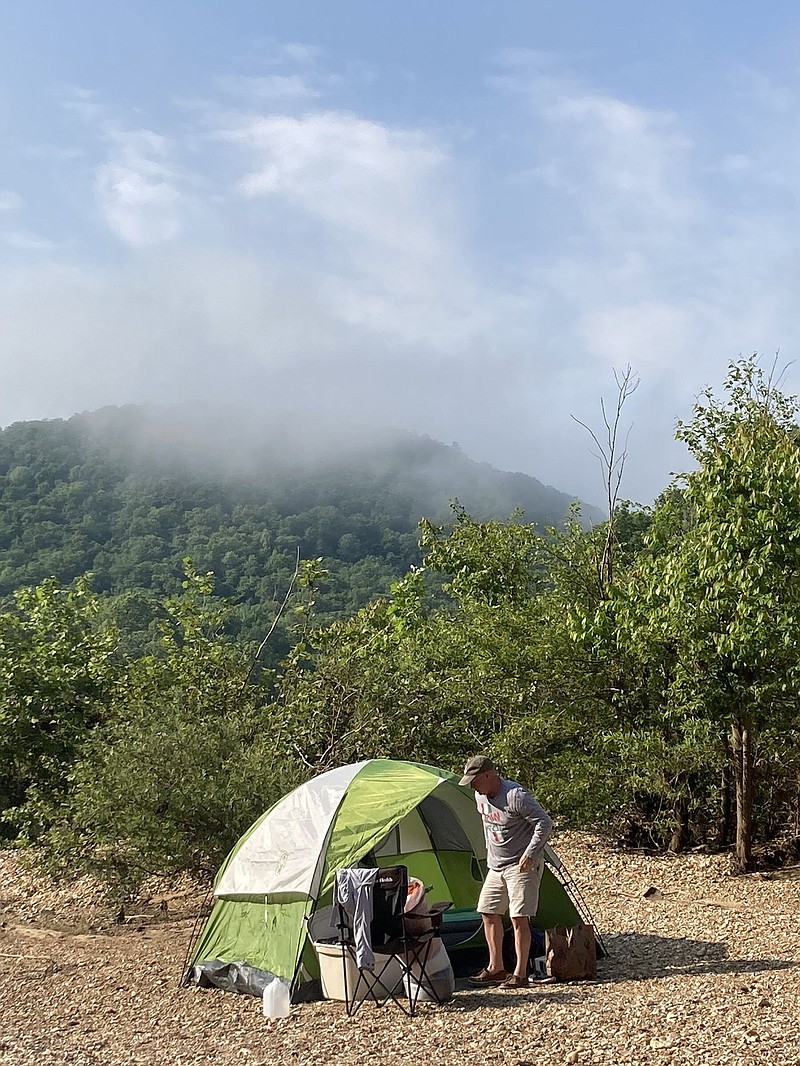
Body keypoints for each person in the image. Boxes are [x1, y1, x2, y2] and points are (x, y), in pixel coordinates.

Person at [460, 754, 553, 988]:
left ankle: (520, 973)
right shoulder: (479, 797)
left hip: (521, 865)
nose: (472, 785)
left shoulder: (515, 796)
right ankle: (496, 968)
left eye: (475, 780)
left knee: (519, 917)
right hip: (496, 865)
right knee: (488, 912)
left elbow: (544, 822)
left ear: (488, 775)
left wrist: (531, 853)